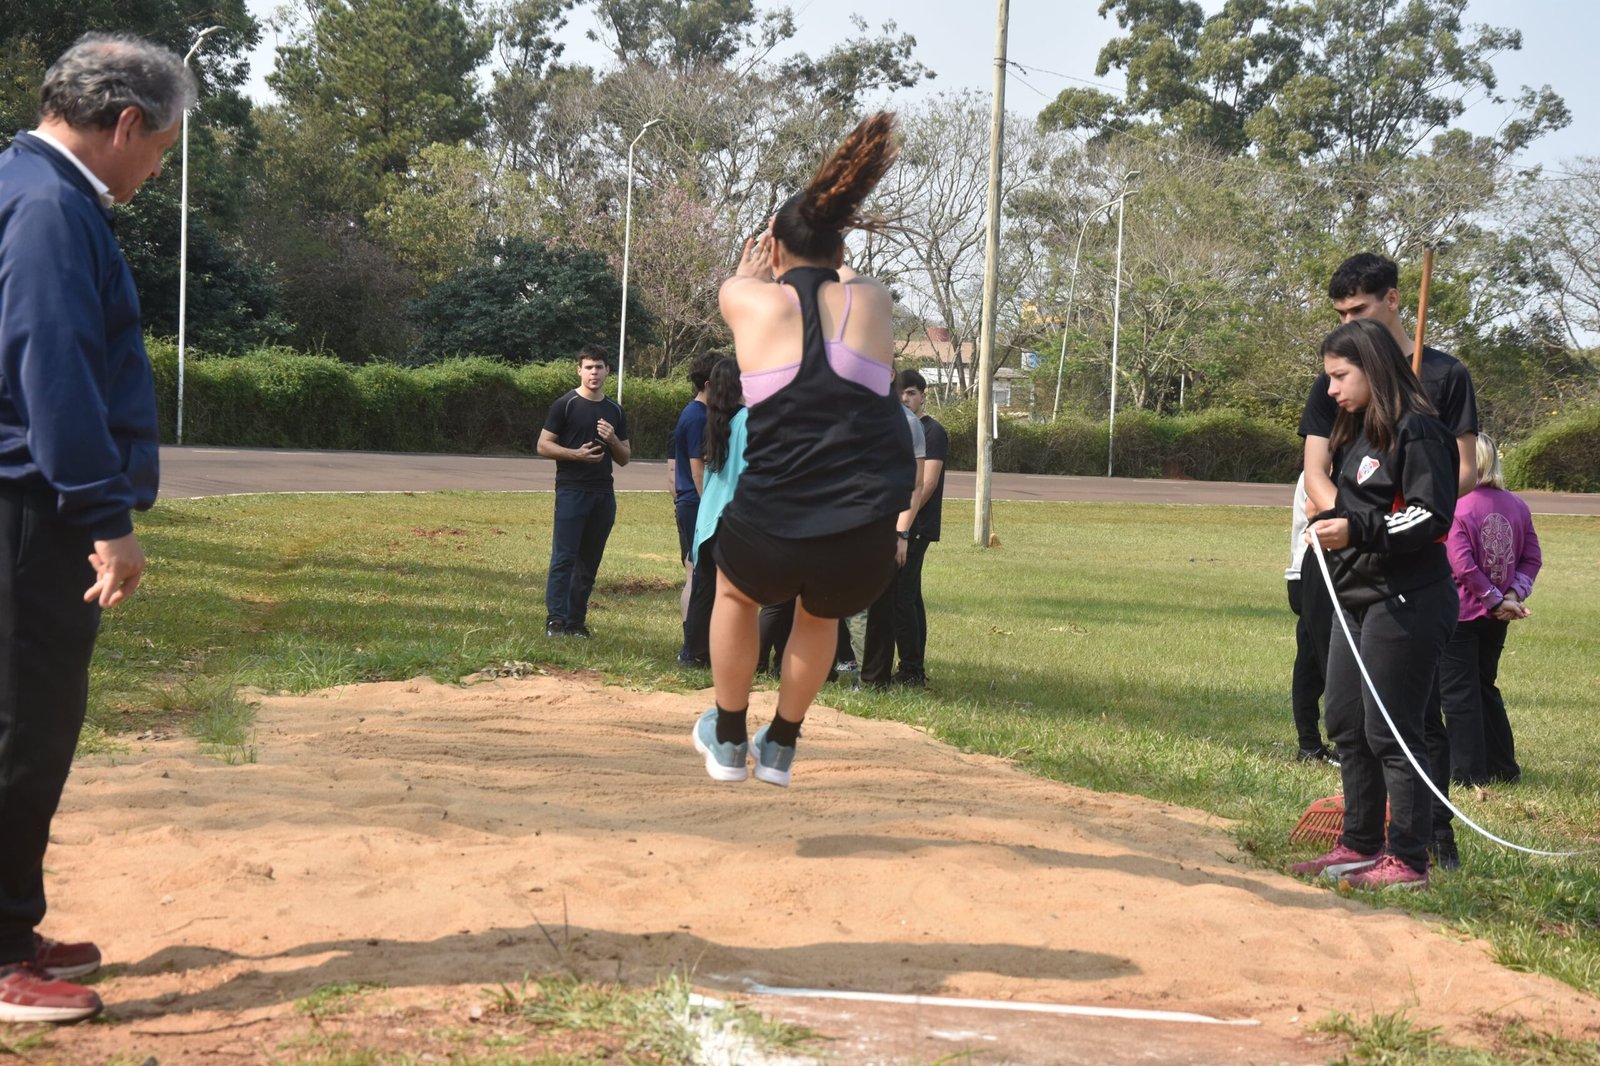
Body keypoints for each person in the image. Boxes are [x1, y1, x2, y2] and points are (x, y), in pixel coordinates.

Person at [0, 32, 194, 1023]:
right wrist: (106, 519)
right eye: (160, 149)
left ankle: (13, 920)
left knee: (36, 721)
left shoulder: (41, 193)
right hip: (31, 509)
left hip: (34, 504)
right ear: (125, 122)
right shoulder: (43, 207)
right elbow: (52, 374)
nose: (156, 169)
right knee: (20, 726)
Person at [692, 111, 913, 786]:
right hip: (862, 535)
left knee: (735, 595)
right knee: (820, 613)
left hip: (771, 524)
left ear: (775, 251)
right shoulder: (872, 299)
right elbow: (846, 286)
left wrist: (755, 268)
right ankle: (783, 743)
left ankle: (729, 738)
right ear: (840, 250)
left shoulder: (746, 300)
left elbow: (745, 286)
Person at [1298, 252, 1479, 869]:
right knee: (1346, 721)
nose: (1330, 391)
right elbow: (1329, 485)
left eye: (1340, 377)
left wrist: (1359, 529)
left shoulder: (1420, 430)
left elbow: (1432, 515)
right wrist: (1334, 526)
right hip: (1356, 596)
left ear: (1372, 369)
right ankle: (1358, 843)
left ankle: (1410, 856)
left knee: (1394, 731)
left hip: (1408, 597)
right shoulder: (1358, 432)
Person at [1439, 434, 1541, 786]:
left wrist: (1496, 598)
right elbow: (1532, 558)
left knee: (1458, 693)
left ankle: (1468, 773)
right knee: (1484, 686)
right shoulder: (1517, 505)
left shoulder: (1456, 504)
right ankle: (1502, 766)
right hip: (1497, 616)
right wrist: (1512, 594)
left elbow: (1462, 565)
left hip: (1461, 613)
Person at [537, 348, 630, 638]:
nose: (594, 373)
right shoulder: (566, 404)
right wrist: (574, 454)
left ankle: (576, 621)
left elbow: (625, 456)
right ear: (579, 370)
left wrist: (612, 438)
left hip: (603, 494)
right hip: (571, 491)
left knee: (589, 561)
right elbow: (543, 445)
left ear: (607, 371)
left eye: (599, 367)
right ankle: (556, 620)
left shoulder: (615, 410)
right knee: (564, 558)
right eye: (588, 367)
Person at [859, 395, 924, 688]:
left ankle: (875, 679)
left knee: (881, 602)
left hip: (886, 522)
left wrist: (901, 533)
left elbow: (917, 484)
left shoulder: (908, 423)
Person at [683, 357, 744, 667]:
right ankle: (722, 655)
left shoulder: (714, 421)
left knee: (704, 593)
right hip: (733, 522)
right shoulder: (746, 420)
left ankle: (693, 655)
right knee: (731, 596)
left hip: (709, 521)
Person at [892, 369, 948, 687]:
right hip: (902, 524)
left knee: (903, 597)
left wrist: (904, 524)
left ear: (924, 395)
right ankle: (913, 664)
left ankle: (912, 670)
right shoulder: (899, 427)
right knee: (910, 597)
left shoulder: (932, 431)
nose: (906, 398)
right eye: (902, 392)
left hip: (916, 526)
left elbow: (926, 483)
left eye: (912, 392)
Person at [1285, 474, 1336, 764]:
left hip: (1304, 572)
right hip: (1316, 571)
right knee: (1329, 659)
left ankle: (1310, 745)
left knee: (1311, 659)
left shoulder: (1319, 466)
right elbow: (1315, 510)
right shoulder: (1324, 467)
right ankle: (1330, 743)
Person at [673, 353, 718, 665]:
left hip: (689, 502)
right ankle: (691, 644)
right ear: (708, 384)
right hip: (695, 503)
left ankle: (693, 642)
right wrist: (708, 507)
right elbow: (697, 469)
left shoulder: (696, 413)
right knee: (696, 574)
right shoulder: (698, 417)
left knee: (695, 571)